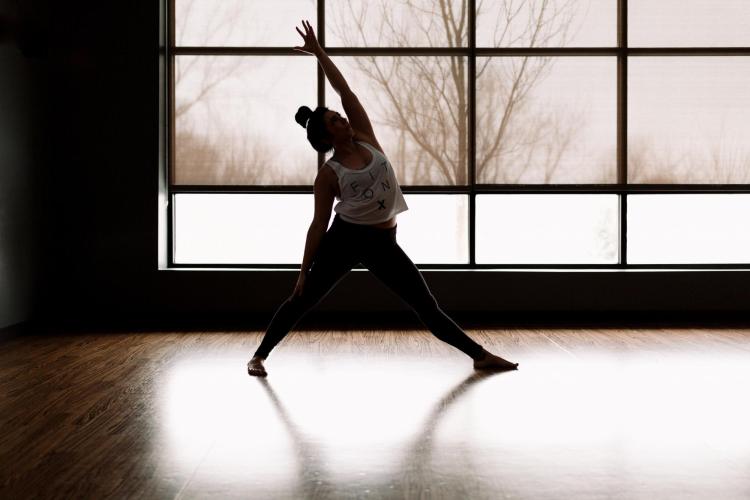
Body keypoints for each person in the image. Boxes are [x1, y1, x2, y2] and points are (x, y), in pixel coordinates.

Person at [247, 20, 518, 377]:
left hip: (383, 241)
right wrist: (303, 270)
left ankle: (479, 355)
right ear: (328, 135)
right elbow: (318, 224)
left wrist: (319, 54)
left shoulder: (366, 138)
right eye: (335, 120)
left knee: (426, 304)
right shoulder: (329, 174)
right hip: (345, 239)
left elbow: (345, 91)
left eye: (339, 116)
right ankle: (259, 356)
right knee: (301, 300)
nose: (342, 118)